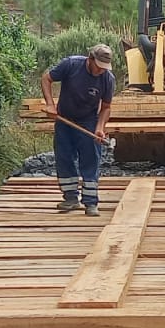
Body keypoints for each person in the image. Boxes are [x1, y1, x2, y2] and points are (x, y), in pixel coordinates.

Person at [39, 44, 115, 216]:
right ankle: (70, 198)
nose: (100, 71)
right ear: (90, 59)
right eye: (98, 66)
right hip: (64, 119)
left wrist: (100, 128)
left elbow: (106, 107)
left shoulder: (107, 79)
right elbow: (46, 78)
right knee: (64, 158)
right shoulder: (71, 65)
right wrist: (50, 104)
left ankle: (91, 202)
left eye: (104, 68)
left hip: (88, 121)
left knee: (90, 159)